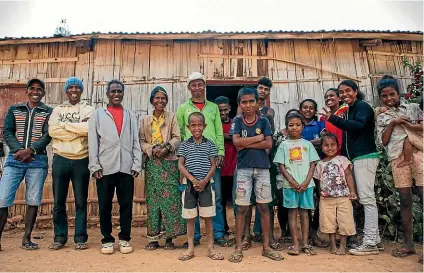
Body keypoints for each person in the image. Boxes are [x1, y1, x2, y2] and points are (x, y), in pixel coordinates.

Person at [320, 80, 382, 255]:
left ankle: (369, 242)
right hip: (358, 158)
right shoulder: (350, 110)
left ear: (356, 91)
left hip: (366, 156)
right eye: (341, 92)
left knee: (367, 199)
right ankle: (374, 238)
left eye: (348, 90)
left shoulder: (362, 106)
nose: (344, 94)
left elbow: (359, 126)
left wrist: (333, 119)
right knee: (366, 198)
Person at [228, 87, 283, 263]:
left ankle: (266, 247)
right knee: (242, 208)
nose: (248, 105)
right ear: (239, 104)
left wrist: (246, 143)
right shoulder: (237, 121)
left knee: (264, 208)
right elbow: (236, 141)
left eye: (252, 101)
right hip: (243, 169)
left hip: (262, 169)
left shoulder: (264, 121)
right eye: (244, 102)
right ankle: (238, 247)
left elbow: (268, 144)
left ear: (257, 103)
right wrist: (257, 139)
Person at [88, 79, 141, 255]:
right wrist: (94, 165)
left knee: (126, 204)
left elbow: (135, 141)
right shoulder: (98, 115)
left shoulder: (130, 115)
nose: (116, 94)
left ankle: (125, 238)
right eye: (113, 91)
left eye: (119, 91)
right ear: (107, 94)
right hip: (105, 167)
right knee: (105, 205)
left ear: (123, 93)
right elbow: (93, 141)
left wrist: (137, 163)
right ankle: (107, 239)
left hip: (126, 166)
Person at [176, 72, 227, 247]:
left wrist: (220, 152)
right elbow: (181, 134)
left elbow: (219, 131)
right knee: (191, 197)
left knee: (216, 197)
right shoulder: (183, 108)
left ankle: (218, 234)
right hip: (191, 160)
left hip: (211, 158)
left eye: (200, 84)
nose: (197, 88)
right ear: (189, 88)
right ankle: (195, 236)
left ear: (204, 86)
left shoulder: (213, 107)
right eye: (194, 85)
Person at [0, 78, 52, 250]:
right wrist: (19, 151)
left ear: (43, 93)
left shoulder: (48, 112)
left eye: (39, 89)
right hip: (14, 160)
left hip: (37, 161)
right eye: (32, 89)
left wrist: (31, 150)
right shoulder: (15, 109)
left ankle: (26, 239)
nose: (35, 92)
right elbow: (7, 131)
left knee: (33, 200)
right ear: (27, 91)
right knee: (3, 199)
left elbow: (48, 135)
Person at [375, 75, 423, 260]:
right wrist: (393, 123)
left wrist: (410, 125)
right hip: (397, 158)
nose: (389, 99)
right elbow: (383, 142)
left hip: (419, 154)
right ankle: (409, 244)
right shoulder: (383, 117)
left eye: (392, 94)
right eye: (384, 96)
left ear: (398, 93)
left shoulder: (412, 108)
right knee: (405, 200)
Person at [48, 77, 94, 250]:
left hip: (81, 159)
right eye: (70, 87)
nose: (74, 90)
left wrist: (64, 126)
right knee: (59, 201)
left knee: (80, 201)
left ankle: (80, 237)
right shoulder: (58, 109)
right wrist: (77, 130)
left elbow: (89, 129)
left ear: (81, 90)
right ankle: (59, 237)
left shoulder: (88, 109)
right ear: (66, 91)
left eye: (77, 87)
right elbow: (53, 131)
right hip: (60, 159)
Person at [140, 86, 186, 251]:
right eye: (157, 98)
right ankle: (153, 238)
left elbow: (177, 137)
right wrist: (151, 150)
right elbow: (142, 140)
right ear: (152, 100)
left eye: (163, 98)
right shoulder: (145, 120)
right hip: (152, 163)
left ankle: (169, 239)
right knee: (153, 201)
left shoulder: (172, 117)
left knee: (170, 199)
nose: (160, 101)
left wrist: (166, 148)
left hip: (169, 162)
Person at [177, 112, 224, 261]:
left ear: (204, 126)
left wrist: (204, 181)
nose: (196, 128)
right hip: (189, 186)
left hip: (206, 185)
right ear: (188, 127)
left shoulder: (210, 144)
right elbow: (180, 165)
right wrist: (192, 180)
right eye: (193, 125)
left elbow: (213, 165)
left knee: (208, 217)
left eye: (199, 125)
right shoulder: (184, 145)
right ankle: (190, 247)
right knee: (190, 217)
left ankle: (211, 247)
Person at [273, 112, 320, 256]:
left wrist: (306, 182)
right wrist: (292, 182)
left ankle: (305, 243)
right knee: (292, 213)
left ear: (303, 126)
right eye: (291, 125)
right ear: (286, 128)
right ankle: (295, 244)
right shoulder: (283, 145)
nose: (294, 128)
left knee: (305, 213)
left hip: (306, 185)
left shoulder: (307, 144)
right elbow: (281, 166)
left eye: (297, 125)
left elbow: (312, 165)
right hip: (289, 185)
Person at [313, 133, 357, 255]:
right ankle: (332, 245)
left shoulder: (343, 160)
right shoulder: (320, 164)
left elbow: (348, 175)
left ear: (338, 146)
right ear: (322, 147)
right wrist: (319, 195)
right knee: (328, 222)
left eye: (333, 145)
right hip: (326, 198)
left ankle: (342, 245)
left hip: (343, 196)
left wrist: (352, 191)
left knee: (345, 220)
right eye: (326, 145)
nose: (330, 147)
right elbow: (318, 182)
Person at [299, 98, 327, 248]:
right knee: (307, 201)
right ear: (300, 110)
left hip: (318, 167)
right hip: (301, 168)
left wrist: (304, 143)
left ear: (315, 111)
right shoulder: (298, 125)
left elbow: (324, 139)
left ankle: (314, 230)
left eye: (311, 108)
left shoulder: (320, 124)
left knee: (321, 198)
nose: (308, 110)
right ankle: (307, 232)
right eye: (305, 107)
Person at [215, 96, 237, 236]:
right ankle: (223, 229)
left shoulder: (235, 122)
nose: (223, 113)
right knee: (220, 200)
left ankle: (239, 229)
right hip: (219, 168)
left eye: (225, 109)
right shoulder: (214, 125)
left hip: (234, 167)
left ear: (229, 108)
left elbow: (237, 137)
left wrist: (223, 136)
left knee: (236, 201)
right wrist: (228, 136)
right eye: (220, 110)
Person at [320, 88, 348, 153]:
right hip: (331, 152)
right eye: (326, 97)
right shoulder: (323, 117)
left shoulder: (346, 111)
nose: (328, 98)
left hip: (347, 150)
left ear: (339, 98)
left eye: (331, 95)